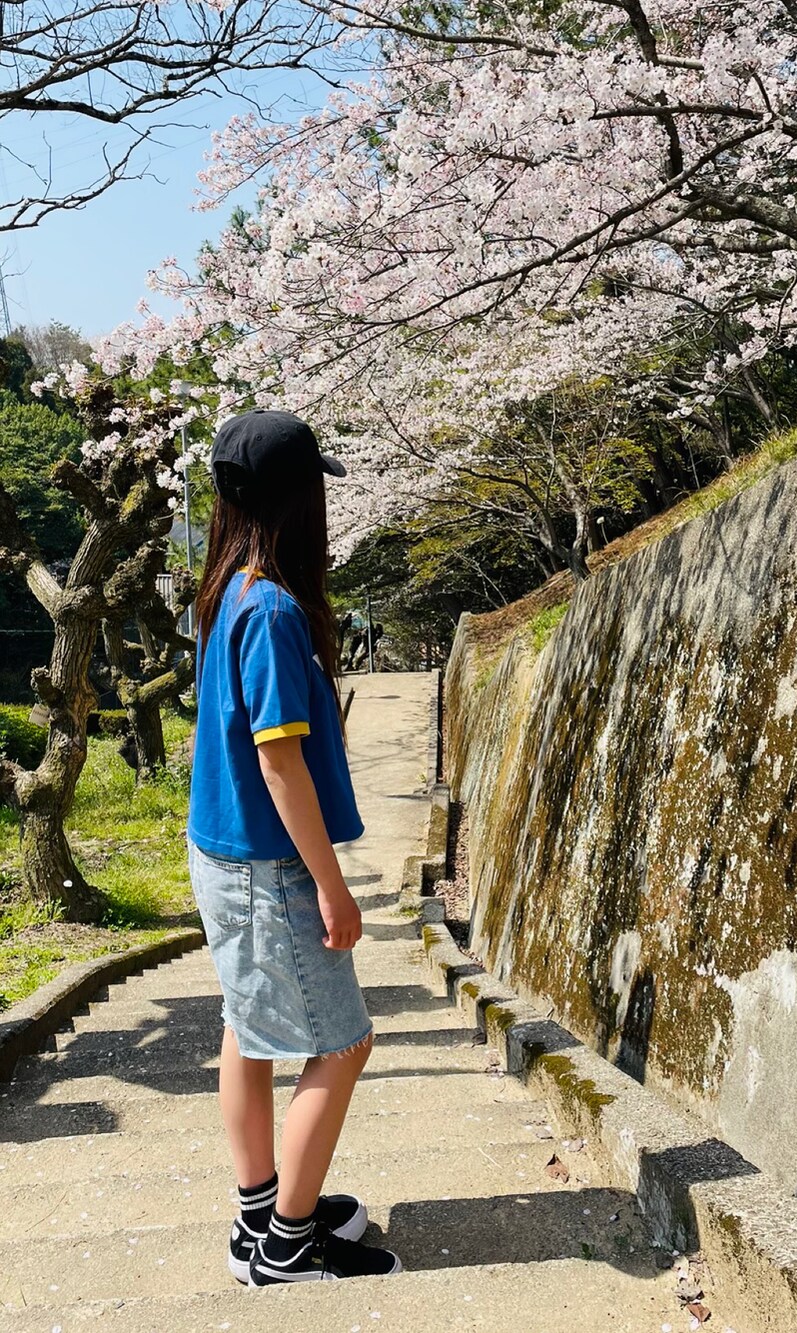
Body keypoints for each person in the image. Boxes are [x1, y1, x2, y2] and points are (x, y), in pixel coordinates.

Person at [186, 408, 402, 1286]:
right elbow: (280, 761)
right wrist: (332, 885)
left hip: (223, 853)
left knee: (246, 1029)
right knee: (344, 1043)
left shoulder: (226, 592)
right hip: (270, 866)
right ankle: (285, 1244)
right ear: (294, 500)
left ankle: (257, 1216)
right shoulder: (272, 609)